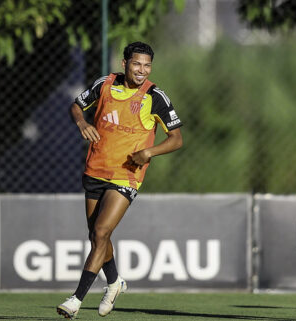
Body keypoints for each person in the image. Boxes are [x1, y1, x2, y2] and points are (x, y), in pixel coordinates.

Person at [56, 41, 183, 319]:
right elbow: (76, 106)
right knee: (97, 236)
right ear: (124, 63)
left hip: (127, 174)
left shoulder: (155, 96)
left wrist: (149, 151)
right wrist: (82, 123)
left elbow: (177, 139)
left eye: (147, 65)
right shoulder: (104, 84)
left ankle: (76, 300)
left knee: (101, 232)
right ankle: (114, 282)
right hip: (95, 168)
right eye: (137, 64)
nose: (142, 70)